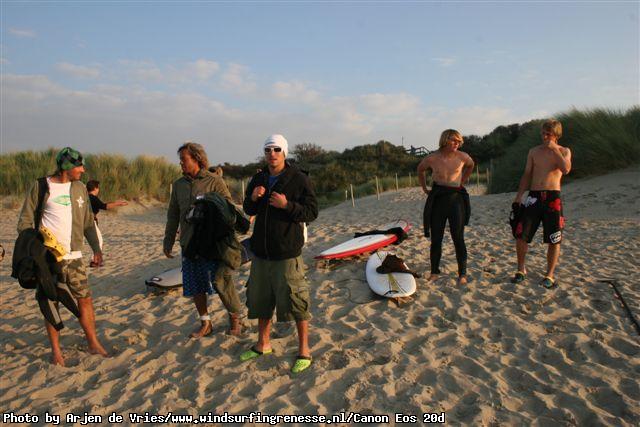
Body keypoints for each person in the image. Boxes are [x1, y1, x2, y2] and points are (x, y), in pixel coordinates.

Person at [17, 147, 109, 366]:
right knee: (51, 303)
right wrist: (35, 248)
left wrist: (96, 249)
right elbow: (24, 222)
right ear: (67, 166)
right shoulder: (41, 186)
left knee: (85, 299)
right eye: (79, 166)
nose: (83, 170)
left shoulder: (80, 189)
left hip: (74, 256)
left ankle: (93, 343)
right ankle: (56, 352)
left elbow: (88, 223)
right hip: (48, 259)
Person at [241, 134, 318, 374]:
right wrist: (252, 198)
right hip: (261, 253)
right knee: (261, 300)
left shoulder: (298, 178)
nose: (271, 154)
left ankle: (304, 350)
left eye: (276, 149)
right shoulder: (258, 178)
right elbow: (248, 208)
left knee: (297, 301)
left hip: (287, 252)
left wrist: (287, 205)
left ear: (284, 152)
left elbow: (312, 211)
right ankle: (263, 344)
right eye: (267, 150)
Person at [163, 142, 244, 337]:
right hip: (189, 242)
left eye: (184, 159)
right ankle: (206, 323)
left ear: (197, 159)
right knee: (195, 284)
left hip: (213, 242)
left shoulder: (214, 181)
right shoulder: (179, 185)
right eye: (180, 160)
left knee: (222, 281)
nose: (181, 163)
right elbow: (173, 215)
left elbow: (229, 208)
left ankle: (235, 318)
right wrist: (168, 240)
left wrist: (207, 208)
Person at [512, 119, 571, 289]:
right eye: (543, 133)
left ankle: (549, 275)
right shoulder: (534, 151)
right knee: (521, 234)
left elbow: (566, 169)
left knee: (554, 238)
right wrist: (519, 196)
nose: (544, 137)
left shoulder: (564, 151)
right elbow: (527, 174)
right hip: (534, 197)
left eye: (548, 134)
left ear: (556, 135)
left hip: (553, 197)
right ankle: (521, 269)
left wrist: (554, 149)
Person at [417, 129, 474, 285]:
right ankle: (434, 272)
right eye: (454, 140)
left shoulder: (463, 156)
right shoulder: (432, 158)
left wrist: (463, 180)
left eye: (459, 141)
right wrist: (424, 188)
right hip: (438, 198)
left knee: (458, 237)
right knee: (436, 238)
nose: (457, 143)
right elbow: (420, 169)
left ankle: (462, 273)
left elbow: (471, 165)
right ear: (445, 140)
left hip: (456, 199)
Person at [86, 179, 128, 266]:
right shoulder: (92, 198)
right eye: (98, 188)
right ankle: (95, 260)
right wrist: (117, 204)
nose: (98, 190)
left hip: (83, 221)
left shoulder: (85, 197)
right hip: (90, 221)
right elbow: (104, 206)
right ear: (95, 188)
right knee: (98, 240)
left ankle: (94, 260)